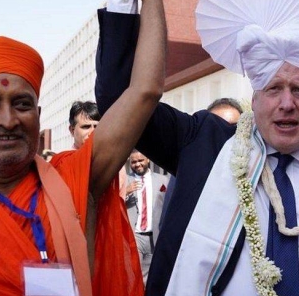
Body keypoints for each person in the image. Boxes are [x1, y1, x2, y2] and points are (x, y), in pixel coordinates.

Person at [96, 0, 299, 296]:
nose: (286, 104)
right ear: (253, 99)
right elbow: (121, 103)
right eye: (273, 89)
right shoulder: (203, 144)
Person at [0, 0, 166, 296]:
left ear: (38, 118)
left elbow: (145, 90)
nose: (8, 120)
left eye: (22, 105)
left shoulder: (75, 180)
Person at [159, 98, 243, 230]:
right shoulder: (184, 174)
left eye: (233, 128)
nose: (224, 134)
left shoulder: (256, 172)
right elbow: (167, 224)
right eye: (215, 128)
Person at [68, 100, 127, 199]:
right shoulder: (62, 164)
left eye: (97, 126)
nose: (93, 132)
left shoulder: (115, 165)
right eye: (86, 127)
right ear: (72, 130)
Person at [125, 149, 168, 283]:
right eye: (134, 162)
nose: (137, 164)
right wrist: (125, 192)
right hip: (135, 235)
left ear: (148, 160)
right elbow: (113, 204)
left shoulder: (163, 180)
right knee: (133, 274)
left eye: (140, 160)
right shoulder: (125, 180)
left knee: (149, 278)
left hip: (154, 236)